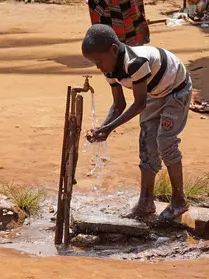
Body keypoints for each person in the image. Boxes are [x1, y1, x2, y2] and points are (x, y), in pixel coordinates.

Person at [81, 24, 192, 221]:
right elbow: (119, 104)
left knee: (165, 142)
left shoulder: (135, 63)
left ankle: (179, 200)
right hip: (154, 93)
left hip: (176, 89)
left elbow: (139, 104)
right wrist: (102, 128)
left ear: (114, 50)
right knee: (147, 145)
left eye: (99, 61)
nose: (98, 67)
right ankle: (145, 202)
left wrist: (109, 128)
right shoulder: (110, 69)